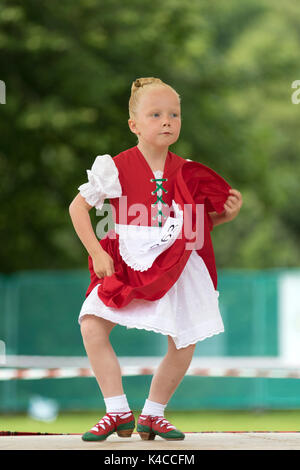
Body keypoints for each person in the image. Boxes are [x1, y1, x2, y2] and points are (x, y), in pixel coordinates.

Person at [69, 77, 243, 442]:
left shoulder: (189, 170)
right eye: (156, 114)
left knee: (184, 338)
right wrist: (97, 251)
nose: (167, 121)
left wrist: (222, 217)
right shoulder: (113, 167)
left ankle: (153, 414)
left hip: (178, 261)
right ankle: (116, 410)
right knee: (92, 325)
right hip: (128, 259)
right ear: (133, 125)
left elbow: (193, 228)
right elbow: (77, 208)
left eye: (174, 114)